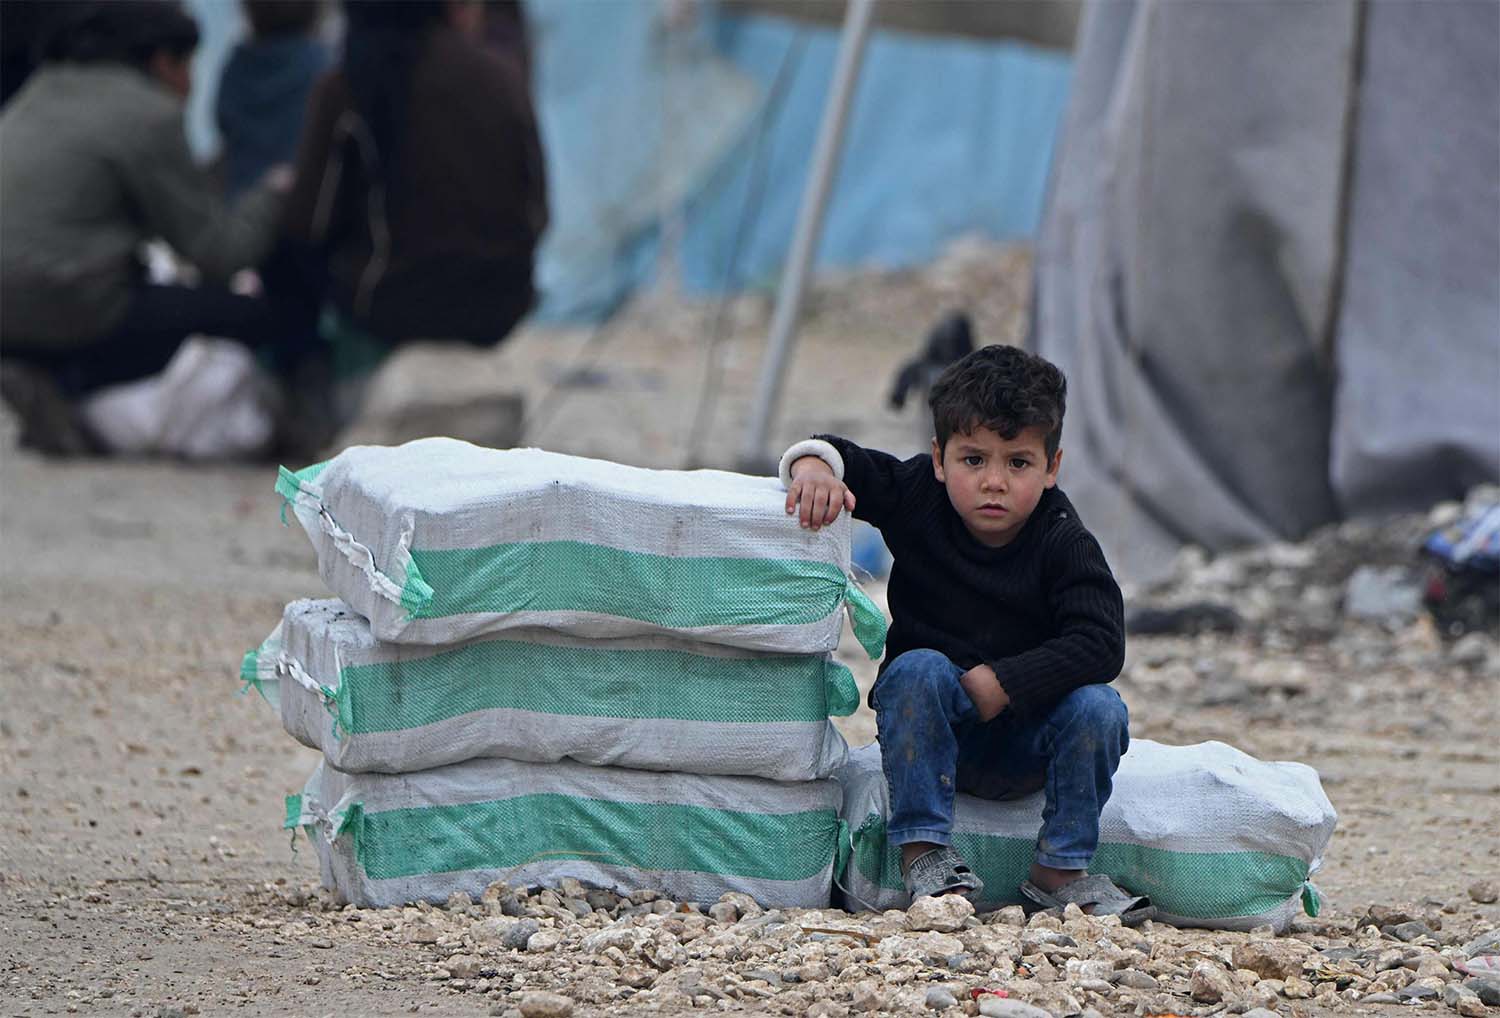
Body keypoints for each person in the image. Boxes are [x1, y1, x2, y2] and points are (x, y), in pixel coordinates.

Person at [779, 344, 1153, 922]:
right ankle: (925, 853)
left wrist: (1003, 681)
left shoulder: (1062, 539)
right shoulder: (918, 498)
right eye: (973, 460)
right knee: (918, 668)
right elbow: (841, 454)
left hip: (1028, 743)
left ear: (1052, 467)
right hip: (929, 729)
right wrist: (812, 469)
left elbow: (1102, 641)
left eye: (1018, 463)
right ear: (938, 458)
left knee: (1100, 708)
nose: (994, 483)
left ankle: (1060, 870)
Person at [0, 0, 315, 454]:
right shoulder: (148, 112)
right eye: (189, 67)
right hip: (70, 305)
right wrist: (275, 190)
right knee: (272, 317)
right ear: (162, 62)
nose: (191, 84)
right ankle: (66, 381)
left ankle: (44, 375)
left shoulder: (41, 90)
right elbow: (218, 253)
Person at [277, 0, 548, 348]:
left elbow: (308, 225)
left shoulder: (347, 88)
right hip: (503, 305)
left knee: (284, 271)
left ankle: (308, 388)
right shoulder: (502, 77)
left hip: (393, 307)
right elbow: (537, 213)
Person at [215, 0, 332, 200]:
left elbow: (224, 124)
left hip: (241, 207)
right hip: (300, 209)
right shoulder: (322, 66)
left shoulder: (237, 67)